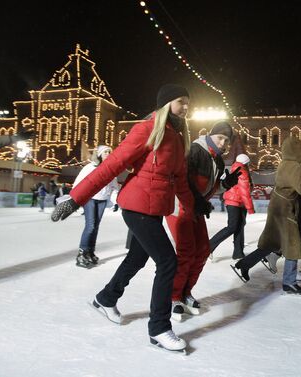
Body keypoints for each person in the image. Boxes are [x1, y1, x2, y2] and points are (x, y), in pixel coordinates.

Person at [51, 83, 194, 352]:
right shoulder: (147, 128)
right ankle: (159, 329)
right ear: (166, 104)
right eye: (180, 101)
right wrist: (75, 198)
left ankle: (106, 298)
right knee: (167, 262)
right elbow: (113, 164)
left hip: (154, 207)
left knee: (137, 257)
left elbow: (180, 179)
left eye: (188, 102)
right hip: (137, 205)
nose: (185, 107)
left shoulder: (177, 134)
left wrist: (192, 207)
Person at [231, 137, 301, 296]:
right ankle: (289, 283)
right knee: (292, 244)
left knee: (271, 243)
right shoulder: (294, 167)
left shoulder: (284, 164)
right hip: (285, 210)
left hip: (277, 207)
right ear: (298, 151)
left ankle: (243, 265)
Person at [166, 121, 239, 319]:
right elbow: (183, 181)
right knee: (186, 251)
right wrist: (197, 201)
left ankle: (186, 292)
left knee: (203, 251)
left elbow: (210, 188)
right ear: (210, 135)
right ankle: (173, 297)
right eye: (220, 138)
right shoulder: (195, 150)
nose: (223, 143)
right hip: (180, 205)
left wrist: (226, 184)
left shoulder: (218, 161)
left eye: (226, 140)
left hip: (195, 208)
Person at [72, 145, 119, 268]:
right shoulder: (90, 167)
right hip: (90, 198)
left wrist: (115, 201)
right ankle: (81, 253)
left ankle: (90, 252)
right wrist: (76, 198)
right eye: (105, 152)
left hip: (102, 200)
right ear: (99, 154)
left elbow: (114, 187)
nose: (108, 153)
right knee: (91, 226)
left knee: (95, 227)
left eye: (110, 151)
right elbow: (78, 182)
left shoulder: (111, 169)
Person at [209, 153, 254, 261]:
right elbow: (245, 192)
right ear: (246, 163)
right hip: (235, 202)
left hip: (238, 202)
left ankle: (238, 253)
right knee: (232, 227)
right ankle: (209, 246)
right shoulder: (242, 171)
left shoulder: (237, 168)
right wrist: (250, 208)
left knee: (239, 226)